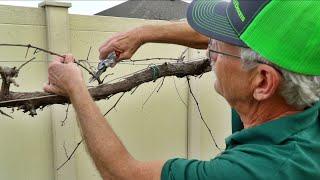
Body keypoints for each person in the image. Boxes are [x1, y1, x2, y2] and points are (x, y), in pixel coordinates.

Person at [44, 0, 320, 179]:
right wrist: (141, 34)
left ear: (262, 82)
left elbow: (124, 175)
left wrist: (75, 88)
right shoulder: (300, 84)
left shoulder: (258, 171)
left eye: (220, 49)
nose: (210, 51)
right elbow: (217, 39)